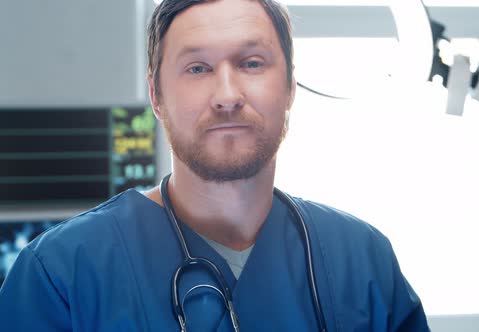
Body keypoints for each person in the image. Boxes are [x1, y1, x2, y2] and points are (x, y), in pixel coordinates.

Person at [0, 0, 430, 330]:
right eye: (198, 68)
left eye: (252, 63)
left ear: (290, 87)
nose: (227, 94)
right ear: (157, 96)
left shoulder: (363, 261)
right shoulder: (61, 274)